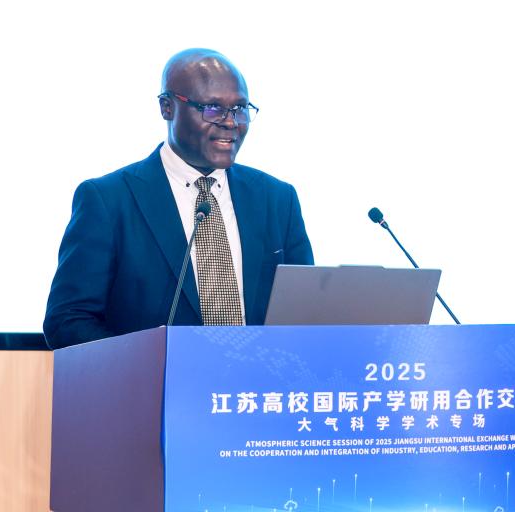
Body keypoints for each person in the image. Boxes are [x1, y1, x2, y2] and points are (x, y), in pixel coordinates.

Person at [43, 49, 314, 349]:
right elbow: (67, 321)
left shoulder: (277, 199)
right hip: (153, 390)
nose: (230, 122)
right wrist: (148, 363)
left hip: (252, 391)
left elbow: (306, 314)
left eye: (239, 109)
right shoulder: (109, 200)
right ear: (167, 107)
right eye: (212, 108)